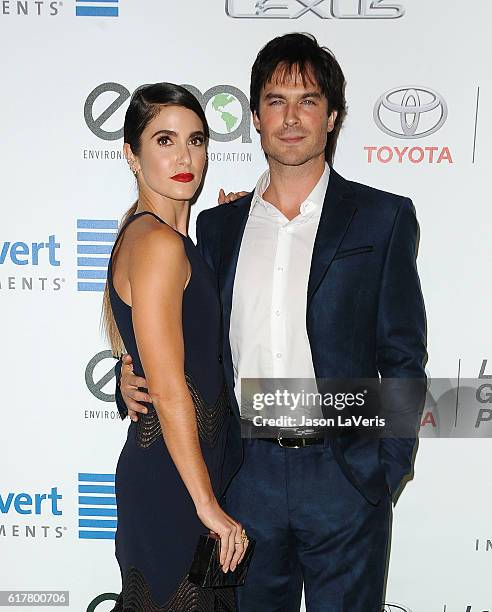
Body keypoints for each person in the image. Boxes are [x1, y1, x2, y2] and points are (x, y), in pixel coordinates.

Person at [117, 34, 427, 612]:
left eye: (308, 100)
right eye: (275, 101)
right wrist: (126, 376)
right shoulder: (214, 229)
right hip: (243, 475)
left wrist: (385, 470)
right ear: (255, 117)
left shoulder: (382, 219)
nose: (291, 117)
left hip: (345, 475)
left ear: (332, 116)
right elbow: (178, 336)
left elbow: (404, 355)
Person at [103, 82, 248, 611]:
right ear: (131, 155)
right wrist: (207, 505)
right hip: (175, 483)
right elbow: (167, 388)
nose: (185, 157)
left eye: (196, 140)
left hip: (187, 471)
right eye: (164, 140)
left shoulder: (167, 240)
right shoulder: (159, 246)